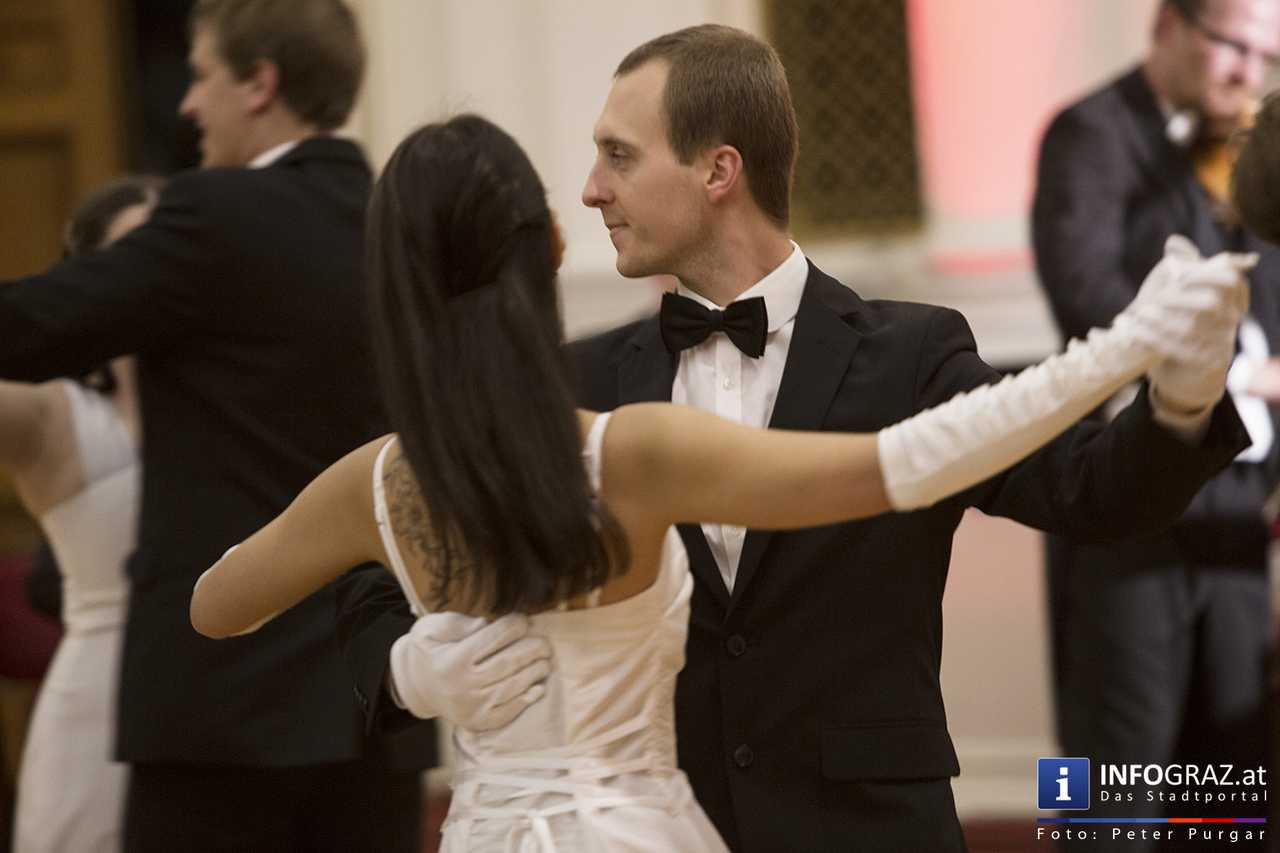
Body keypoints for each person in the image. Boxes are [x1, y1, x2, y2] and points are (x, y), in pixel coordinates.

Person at [192, 111, 1252, 852]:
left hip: (849, 829)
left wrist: (1175, 391)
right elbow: (910, 460)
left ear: (717, 169)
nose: (593, 183)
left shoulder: (905, 351)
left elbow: (1093, 494)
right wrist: (400, 666)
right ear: (543, 243)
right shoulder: (590, 407)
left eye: (616, 151)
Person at [0, 2, 432, 850]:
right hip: (382, 694)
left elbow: (36, 324)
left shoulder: (219, 213)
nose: (189, 104)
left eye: (202, 75)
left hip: (225, 704)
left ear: (260, 83)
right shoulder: (408, 220)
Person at [1031, 1, 1280, 842]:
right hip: (1128, 514)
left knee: (1232, 796)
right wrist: (1251, 376)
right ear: (1168, 26)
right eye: (1233, 46)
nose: (1251, 73)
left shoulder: (1260, 148)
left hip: (1242, 517)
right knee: (1112, 790)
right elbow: (1089, 303)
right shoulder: (1088, 136)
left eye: (1268, 55)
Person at [2, 174, 159, 853]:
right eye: (136, 254)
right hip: (100, 700)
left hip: (217, 704)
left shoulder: (231, 397)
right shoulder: (52, 409)